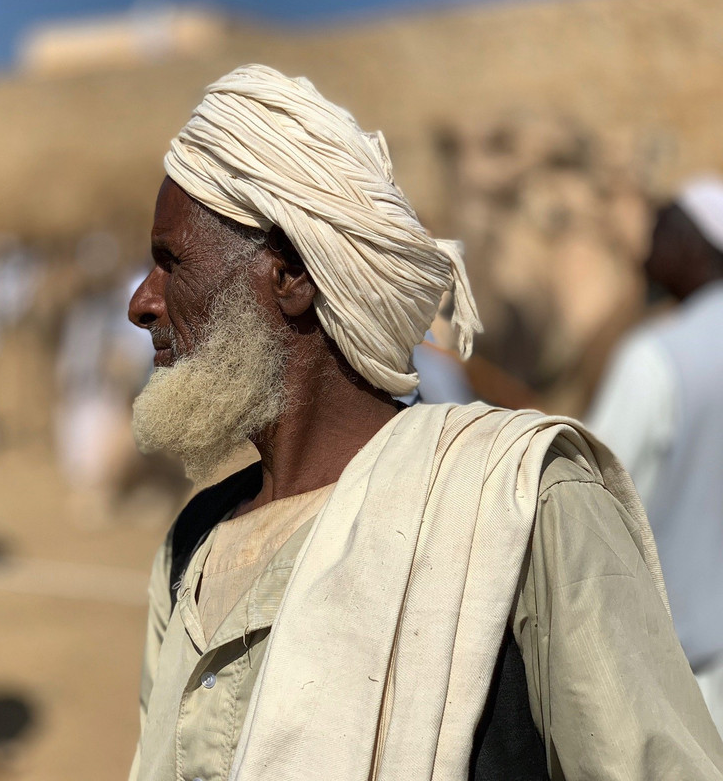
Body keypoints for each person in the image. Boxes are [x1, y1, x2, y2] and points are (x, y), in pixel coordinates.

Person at [125, 64, 723, 781]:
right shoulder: (191, 548)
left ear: (290, 276)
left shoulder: (522, 506)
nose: (142, 303)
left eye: (171, 262)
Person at [587, 176, 723, 733]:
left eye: (662, 231)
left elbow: (589, 496)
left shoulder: (658, 358)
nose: (647, 250)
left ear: (695, 244)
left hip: (682, 682)